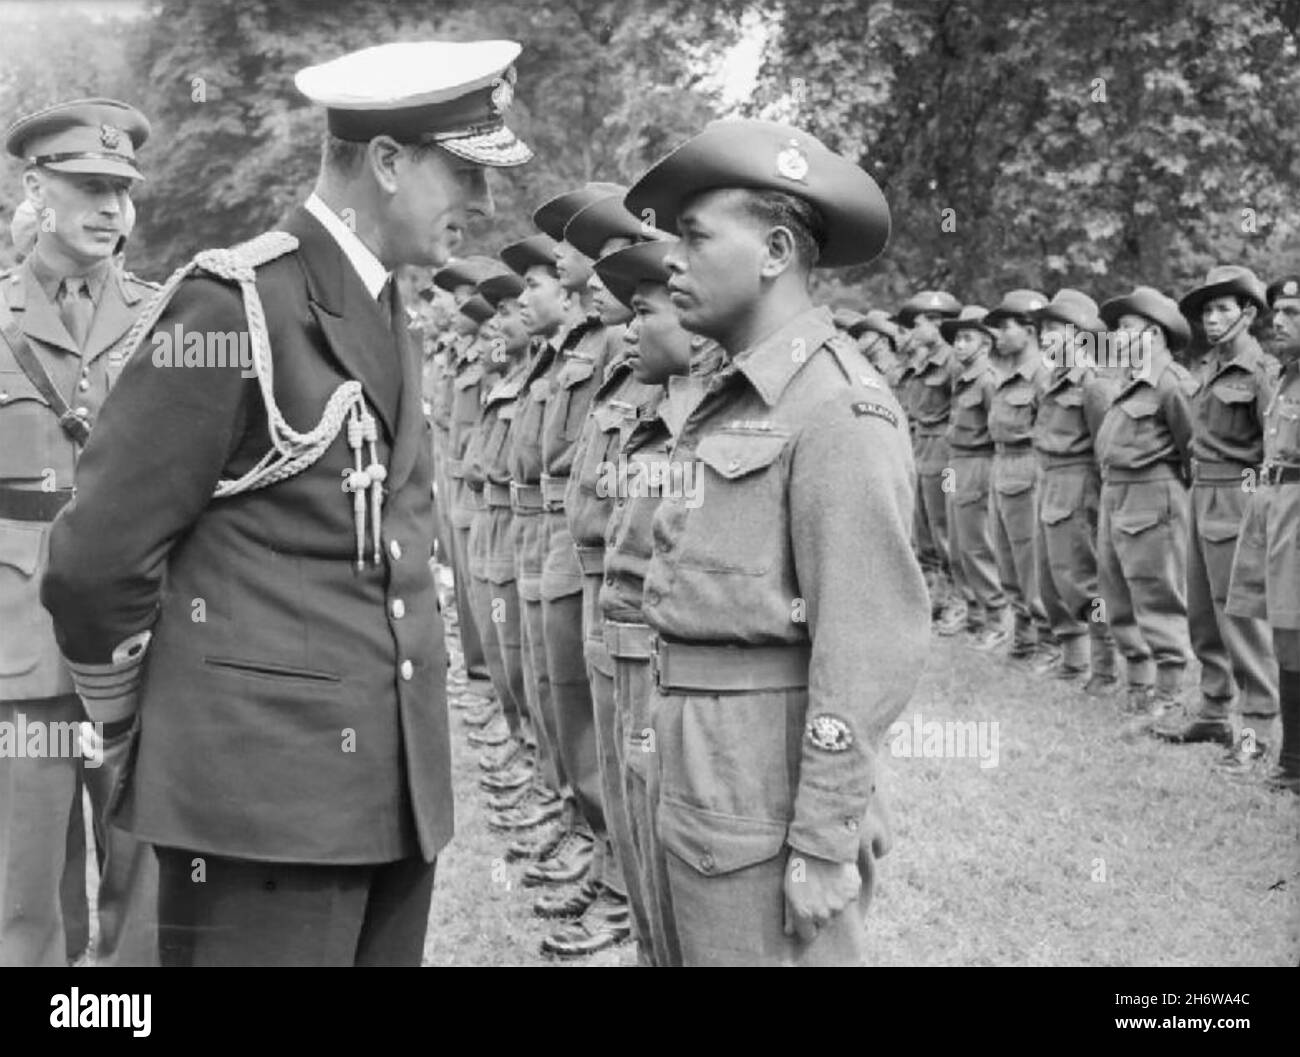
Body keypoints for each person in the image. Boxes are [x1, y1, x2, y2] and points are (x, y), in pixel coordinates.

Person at [41, 39, 533, 967]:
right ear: (387, 162)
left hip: (387, 802)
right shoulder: (237, 307)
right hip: (259, 816)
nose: (484, 204)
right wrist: (134, 715)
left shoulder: (385, 309)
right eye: (466, 173)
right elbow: (96, 558)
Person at [623, 118, 929, 966]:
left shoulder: (838, 407)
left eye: (693, 237)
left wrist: (825, 838)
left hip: (759, 778)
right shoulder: (740, 392)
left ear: (775, 250)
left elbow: (866, 643)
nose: (671, 262)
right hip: (695, 756)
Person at [0, 97, 159, 967]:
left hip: (136, 636)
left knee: (142, 874)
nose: (111, 208)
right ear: (36, 186)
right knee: (27, 887)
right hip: (21, 644)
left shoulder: (165, 319)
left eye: (123, 190)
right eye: (89, 186)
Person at [593, 236, 723, 965]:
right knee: (638, 832)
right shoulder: (656, 411)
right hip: (628, 643)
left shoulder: (715, 422)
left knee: (668, 851)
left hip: (667, 663)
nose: (629, 328)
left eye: (644, 311)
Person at [1153, 266, 1279, 763]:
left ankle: (1257, 729)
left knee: (1241, 615)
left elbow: (1275, 450)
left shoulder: (1261, 372)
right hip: (1200, 492)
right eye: (1206, 310)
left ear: (1247, 314)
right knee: (1204, 613)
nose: (1211, 318)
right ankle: (1212, 712)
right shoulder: (1206, 368)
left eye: (1223, 308)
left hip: (1239, 498)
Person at [1094, 286, 1196, 715]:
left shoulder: (1172, 383)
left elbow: (1194, 449)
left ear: (1153, 333)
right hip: (1116, 493)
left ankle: (1170, 694)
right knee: (1118, 593)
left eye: (1126, 328)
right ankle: (1139, 684)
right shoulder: (1128, 381)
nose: (1116, 336)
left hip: (1154, 495)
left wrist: (1172, 500)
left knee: (1156, 593)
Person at [1226, 276, 1300, 792]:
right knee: (1286, 633)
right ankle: (1292, 761)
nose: (1281, 321)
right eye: (1278, 311)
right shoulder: (1286, 377)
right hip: (1274, 506)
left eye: (1294, 312)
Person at [1029, 289, 1119, 689]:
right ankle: (1073, 658)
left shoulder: (1094, 384)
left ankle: (1105, 666)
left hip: (1080, 484)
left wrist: (1099, 501)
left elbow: (1105, 448)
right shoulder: (1050, 379)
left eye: (1055, 328)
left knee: (1086, 581)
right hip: (1048, 479)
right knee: (1052, 579)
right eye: (1043, 328)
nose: (1045, 337)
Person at [985, 289, 1054, 662]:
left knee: (1031, 556)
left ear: (1029, 329)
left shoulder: (1042, 374)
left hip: (1028, 466)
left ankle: (1048, 639)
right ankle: (1024, 635)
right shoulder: (1006, 374)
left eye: (1005, 327)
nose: (998, 335)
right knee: (1007, 554)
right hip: (1000, 464)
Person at [894, 290, 962, 623]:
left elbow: (959, 411)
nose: (918, 329)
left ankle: (958, 601)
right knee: (922, 528)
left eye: (921, 323)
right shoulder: (920, 361)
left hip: (943, 450)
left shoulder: (953, 361)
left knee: (943, 527)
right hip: (920, 446)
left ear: (936, 325)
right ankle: (932, 597)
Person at [940, 306, 1006, 642]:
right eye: (956, 338)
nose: (958, 344)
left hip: (978, 464)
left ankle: (996, 618)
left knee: (978, 543)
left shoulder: (987, 379)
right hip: (955, 463)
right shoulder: (962, 377)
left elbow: (998, 432)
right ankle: (973, 610)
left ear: (985, 345)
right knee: (957, 542)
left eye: (967, 338)